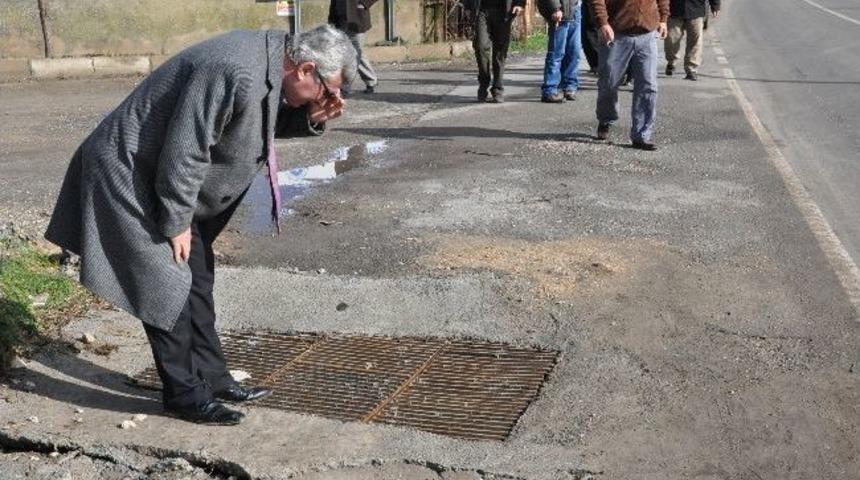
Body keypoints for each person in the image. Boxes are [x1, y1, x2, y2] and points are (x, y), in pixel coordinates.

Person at [44, 25, 357, 426]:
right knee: (166, 281)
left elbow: (250, 122)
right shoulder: (234, 68)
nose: (327, 100)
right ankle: (185, 396)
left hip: (161, 173)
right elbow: (186, 149)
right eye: (327, 92)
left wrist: (310, 116)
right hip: (127, 171)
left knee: (198, 275)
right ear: (306, 69)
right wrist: (177, 220)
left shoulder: (272, 59)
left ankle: (213, 377)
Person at [590, 0, 669, 151]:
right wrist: (603, 22)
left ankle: (641, 135)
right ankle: (606, 118)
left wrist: (663, 18)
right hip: (616, 33)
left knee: (648, 85)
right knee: (609, 83)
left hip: (647, 33)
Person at [463, 0, 525, 103]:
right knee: (481, 47)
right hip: (482, 9)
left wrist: (519, 4)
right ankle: (483, 83)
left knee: (500, 52)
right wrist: (468, 5)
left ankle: (497, 88)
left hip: (504, 12)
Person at [329, 0, 379, 94]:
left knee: (355, 55)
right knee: (356, 54)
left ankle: (346, 86)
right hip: (340, 21)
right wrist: (331, 19)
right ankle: (371, 80)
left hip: (356, 19)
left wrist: (364, 3)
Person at [538, 0, 583, 103]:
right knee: (556, 53)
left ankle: (569, 86)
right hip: (561, 10)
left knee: (574, 52)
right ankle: (549, 90)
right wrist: (555, 8)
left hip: (575, 9)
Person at [664, 0, 720, 81]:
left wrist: (715, 5)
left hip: (696, 9)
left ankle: (691, 69)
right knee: (671, 39)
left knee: (695, 41)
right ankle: (671, 61)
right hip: (674, 9)